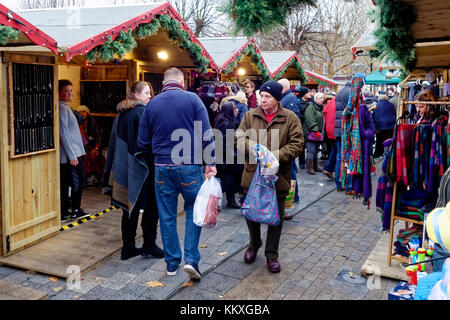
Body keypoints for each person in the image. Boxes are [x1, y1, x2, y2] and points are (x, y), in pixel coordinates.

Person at [138, 67, 217, 280]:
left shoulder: (152, 104)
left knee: (167, 216)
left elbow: (142, 141)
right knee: (194, 210)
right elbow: (206, 134)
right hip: (190, 166)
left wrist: (156, 156)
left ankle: (172, 263)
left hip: (162, 167)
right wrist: (210, 162)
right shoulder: (193, 100)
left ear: (164, 82)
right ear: (181, 80)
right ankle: (191, 260)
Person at [236, 80, 303, 273]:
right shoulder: (250, 116)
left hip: (278, 176)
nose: (263, 100)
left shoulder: (290, 118)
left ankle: (271, 254)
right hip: (252, 175)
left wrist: (275, 156)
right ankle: (254, 243)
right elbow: (238, 138)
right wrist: (255, 149)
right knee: (251, 214)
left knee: (276, 219)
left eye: (267, 97)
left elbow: (297, 143)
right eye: (261, 96)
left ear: (277, 99)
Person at [103, 81, 164, 261]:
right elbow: (149, 141)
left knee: (129, 207)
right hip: (145, 168)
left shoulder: (122, 112)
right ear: (137, 95)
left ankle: (128, 247)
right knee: (152, 206)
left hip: (128, 166)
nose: (150, 96)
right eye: (146, 93)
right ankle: (149, 245)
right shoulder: (143, 112)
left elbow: (117, 142)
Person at [59, 80, 87, 220]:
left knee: (67, 184)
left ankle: (65, 211)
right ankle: (75, 209)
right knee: (77, 182)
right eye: (66, 91)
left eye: (71, 90)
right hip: (72, 155)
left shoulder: (65, 107)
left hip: (73, 153)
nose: (70, 93)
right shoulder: (62, 108)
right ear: (59, 92)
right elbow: (63, 133)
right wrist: (72, 155)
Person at [278, 78, 301, 211]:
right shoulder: (287, 97)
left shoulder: (290, 98)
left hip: (286, 140)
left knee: (290, 170)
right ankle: (292, 195)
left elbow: (294, 118)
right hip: (284, 140)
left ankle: (293, 195)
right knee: (289, 169)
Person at [214, 101, 241, 209]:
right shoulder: (226, 123)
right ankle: (213, 200)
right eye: (235, 108)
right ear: (230, 110)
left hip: (223, 156)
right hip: (227, 157)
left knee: (230, 179)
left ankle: (231, 201)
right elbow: (225, 142)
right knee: (230, 179)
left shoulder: (221, 119)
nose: (237, 110)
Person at [72, 105, 105, 186]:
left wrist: (96, 148)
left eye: (84, 112)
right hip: (80, 147)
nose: (82, 114)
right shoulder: (76, 122)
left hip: (91, 146)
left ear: (87, 113)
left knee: (94, 156)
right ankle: (84, 178)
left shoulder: (92, 122)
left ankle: (93, 178)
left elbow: (98, 136)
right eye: (80, 112)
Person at [334, 81, 351, 191]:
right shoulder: (351, 93)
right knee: (347, 157)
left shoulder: (340, 92)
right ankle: (347, 183)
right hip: (346, 129)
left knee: (339, 157)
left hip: (338, 129)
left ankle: (339, 183)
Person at [304, 92, 325, 175]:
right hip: (312, 133)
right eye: (320, 98)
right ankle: (310, 167)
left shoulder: (320, 107)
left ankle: (315, 166)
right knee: (311, 150)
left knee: (316, 150)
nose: (322, 99)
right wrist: (315, 131)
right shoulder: (311, 107)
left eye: (323, 98)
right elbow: (310, 120)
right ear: (316, 98)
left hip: (318, 133)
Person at [372, 94, 397, 158]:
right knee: (389, 140)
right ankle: (389, 154)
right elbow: (394, 114)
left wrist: (376, 128)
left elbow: (376, 117)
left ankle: (378, 154)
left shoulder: (377, 105)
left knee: (379, 141)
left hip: (381, 125)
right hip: (391, 125)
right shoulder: (391, 104)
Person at [295, 86, 312, 170]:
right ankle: (302, 162)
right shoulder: (298, 103)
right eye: (308, 92)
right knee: (302, 145)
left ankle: (309, 162)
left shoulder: (312, 102)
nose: (310, 94)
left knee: (311, 145)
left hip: (310, 126)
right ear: (303, 94)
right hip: (302, 126)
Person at [322, 95, 337, 180]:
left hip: (329, 131)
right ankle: (333, 170)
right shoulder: (338, 102)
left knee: (334, 150)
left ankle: (329, 168)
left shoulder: (330, 104)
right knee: (338, 152)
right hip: (336, 131)